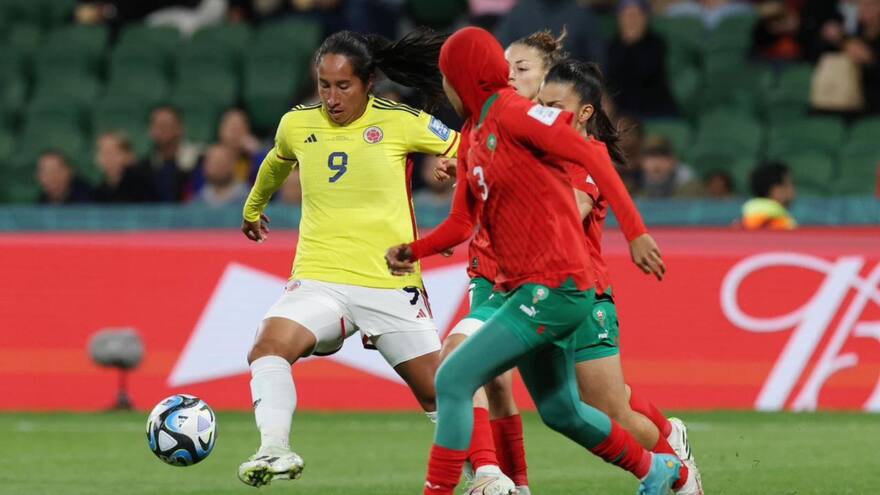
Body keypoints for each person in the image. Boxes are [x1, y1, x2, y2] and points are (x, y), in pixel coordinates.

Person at [386, 27, 679, 495]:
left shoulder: (517, 113)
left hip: (555, 286)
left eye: (446, 76)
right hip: (524, 286)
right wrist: (414, 250)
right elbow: (461, 223)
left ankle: (453, 486)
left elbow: (592, 156)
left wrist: (636, 232)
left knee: (455, 378)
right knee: (562, 411)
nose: (443, 86)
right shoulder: (475, 132)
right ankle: (658, 470)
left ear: (462, 77)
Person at [237, 28, 468, 489]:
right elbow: (277, 161)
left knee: (438, 392)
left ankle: (488, 474)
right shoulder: (296, 124)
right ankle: (274, 449)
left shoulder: (403, 121)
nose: (331, 98)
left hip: (388, 280)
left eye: (343, 86)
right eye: (324, 85)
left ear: (368, 83)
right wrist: (253, 207)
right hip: (320, 276)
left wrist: (457, 178)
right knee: (268, 346)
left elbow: (476, 154)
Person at [537, 59, 702, 495]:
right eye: (540, 104)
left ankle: (679, 475)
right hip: (539, 293)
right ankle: (669, 434)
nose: (544, 113)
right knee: (594, 402)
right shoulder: (541, 151)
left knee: (607, 412)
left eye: (555, 106)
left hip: (583, 295)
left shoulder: (586, 157)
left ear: (585, 112)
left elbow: (570, 213)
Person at [607, 0, 678, 117]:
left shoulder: (657, 45)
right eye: (627, 14)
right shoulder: (610, 48)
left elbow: (646, 73)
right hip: (619, 114)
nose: (632, 20)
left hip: (654, 112)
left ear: (645, 19)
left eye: (637, 14)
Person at [494, 0, 606, 65]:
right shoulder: (519, 12)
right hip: (524, 89)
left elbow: (597, 62)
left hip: (569, 88)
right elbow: (499, 55)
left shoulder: (583, 16)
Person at [140, 105, 201, 202]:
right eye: (158, 125)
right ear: (151, 130)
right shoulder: (144, 168)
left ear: (180, 128)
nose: (162, 130)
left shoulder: (199, 161)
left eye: (167, 125)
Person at [93, 132, 160, 203]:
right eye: (102, 152)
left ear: (127, 155)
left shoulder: (141, 183)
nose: (107, 158)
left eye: (111, 152)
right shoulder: (101, 190)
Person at [638, 136, 704, 198]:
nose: (657, 162)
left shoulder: (688, 183)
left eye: (663, 156)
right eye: (651, 156)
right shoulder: (635, 181)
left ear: (674, 160)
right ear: (641, 161)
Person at [742, 161, 797, 229]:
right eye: (790, 183)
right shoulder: (783, 223)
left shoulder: (744, 217)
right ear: (776, 190)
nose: (793, 189)